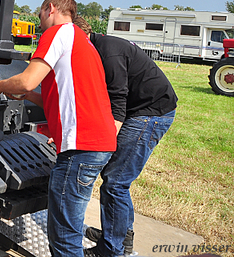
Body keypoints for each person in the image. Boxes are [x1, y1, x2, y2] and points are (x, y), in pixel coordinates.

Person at [0, 0, 117, 257]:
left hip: (80, 147)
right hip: (100, 143)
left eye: (40, 13)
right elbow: (64, 96)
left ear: (51, 8)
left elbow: (26, 80)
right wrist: (27, 96)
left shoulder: (57, 33)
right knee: (71, 226)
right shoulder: (83, 42)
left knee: (64, 239)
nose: (40, 20)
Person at [72, 17, 177, 257]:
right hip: (143, 110)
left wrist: (103, 146)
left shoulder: (109, 54)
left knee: (115, 181)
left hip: (150, 113)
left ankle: (111, 250)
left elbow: (117, 104)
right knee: (116, 180)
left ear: (81, 37)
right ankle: (118, 233)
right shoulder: (97, 49)